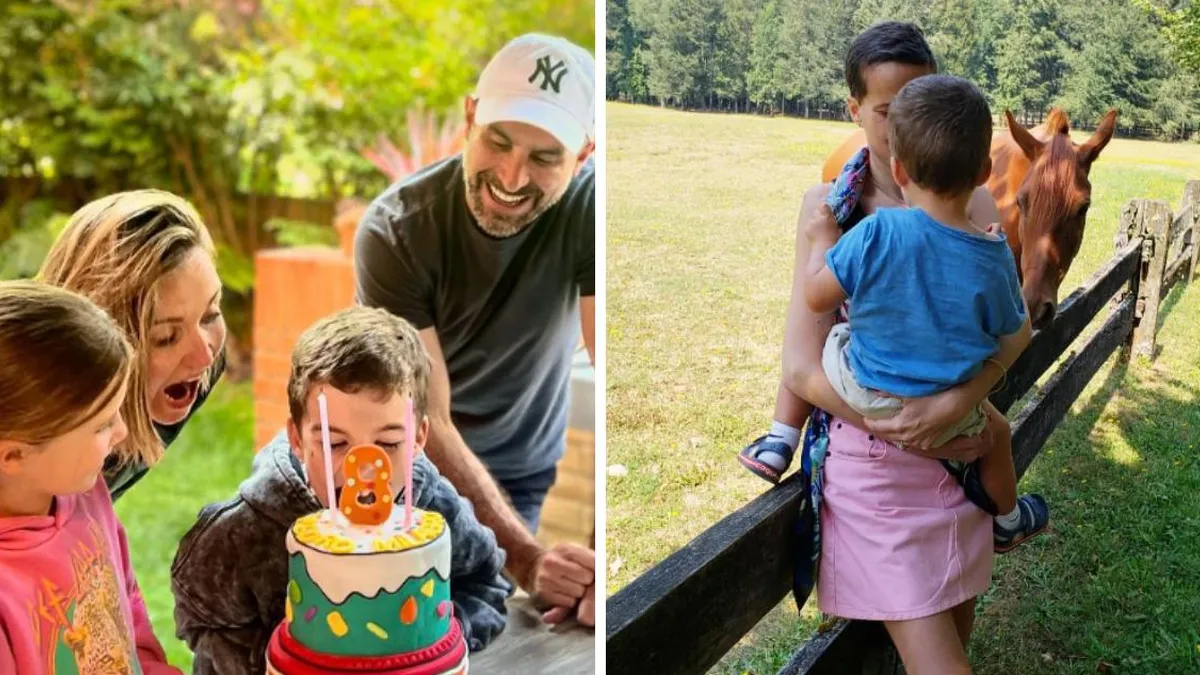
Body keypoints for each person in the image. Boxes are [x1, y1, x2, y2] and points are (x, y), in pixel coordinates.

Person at [737, 22, 1037, 673]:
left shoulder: (976, 201)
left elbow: (1008, 334)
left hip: (960, 464)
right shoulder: (831, 209)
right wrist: (906, 424)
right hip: (882, 471)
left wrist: (959, 400)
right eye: (885, 108)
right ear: (855, 110)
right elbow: (800, 363)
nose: (903, 119)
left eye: (917, 98)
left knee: (959, 630)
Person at [354, 33, 596, 622]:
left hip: (521, 474)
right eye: (499, 141)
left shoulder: (590, 208)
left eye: (544, 158)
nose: (512, 177)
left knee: (494, 638)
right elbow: (425, 420)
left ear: (584, 155)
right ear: (470, 117)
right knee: (396, 630)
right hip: (406, 472)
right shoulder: (395, 232)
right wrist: (531, 558)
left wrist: (592, 570)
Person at [171, 307, 510, 674]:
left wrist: (429, 641)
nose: (362, 471)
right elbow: (199, 615)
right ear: (298, 438)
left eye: (389, 443)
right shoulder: (243, 532)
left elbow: (486, 584)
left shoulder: (434, 511)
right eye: (335, 443)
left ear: (419, 439)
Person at [803, 73, 1049, 553]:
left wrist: (823, 242)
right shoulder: (994, 254)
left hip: (869, 393)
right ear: (984, 172)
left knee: (839, 337)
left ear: (898, 171)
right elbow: (1010, 328)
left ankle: (784, 431)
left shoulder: (875, 234)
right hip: (949, 401)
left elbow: (818, 297)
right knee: (997, 432)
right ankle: (1008, 519)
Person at [0, 281, 180, 674]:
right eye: (101, 425)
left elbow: (126, 606)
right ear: (13, 455)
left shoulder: (86, 493)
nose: (122, 433)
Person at [38, 190, 228, 502]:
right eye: (166, 338)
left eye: (210, 315)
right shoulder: (35, 442)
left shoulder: (189, 379)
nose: (205, 357)